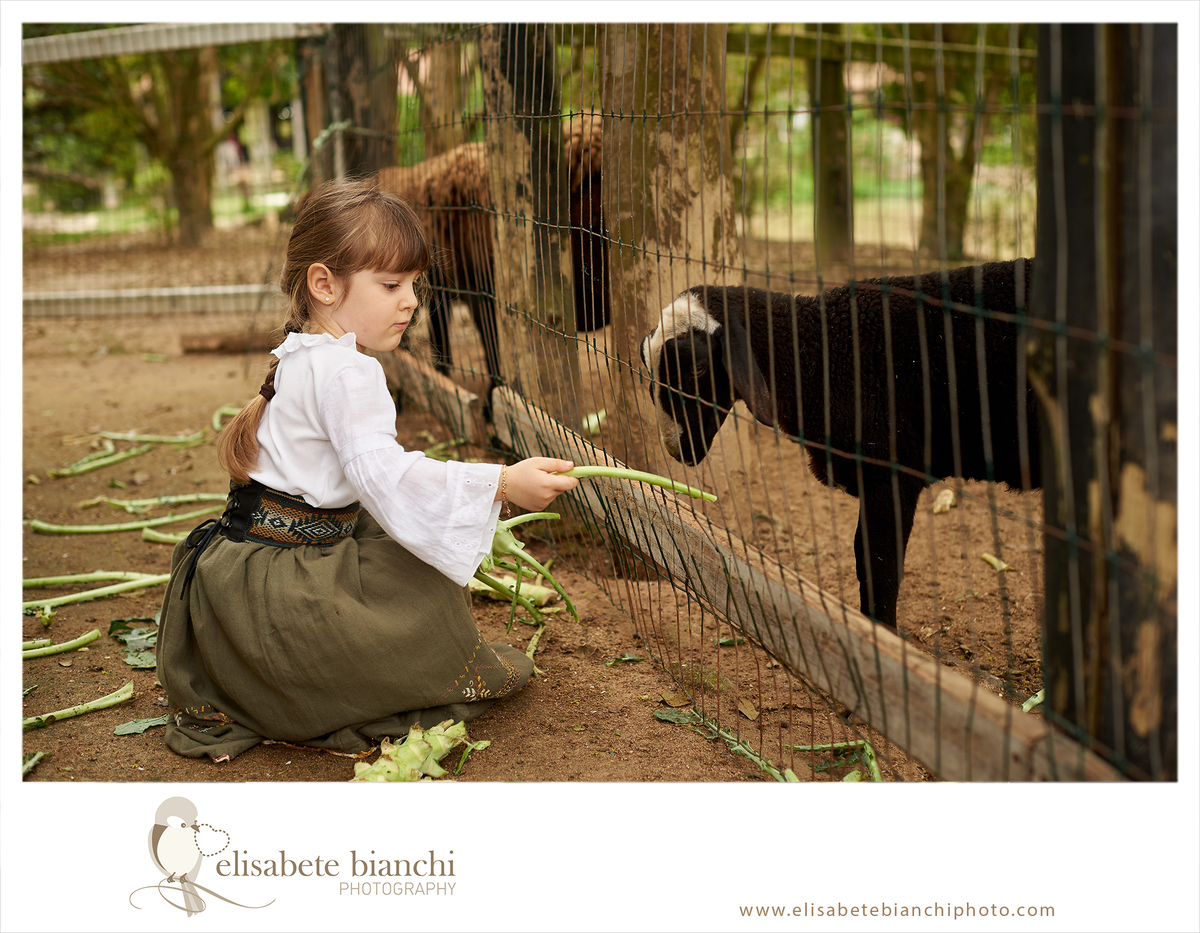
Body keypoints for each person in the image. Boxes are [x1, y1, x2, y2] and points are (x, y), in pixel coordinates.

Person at [157, 180, 578, 760]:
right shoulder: (349, 373)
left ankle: (267, 676)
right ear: (325, 284)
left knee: (402, 553)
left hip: (233, 580)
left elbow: (374, 487)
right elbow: (386, 477)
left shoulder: (302, 352)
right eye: (390, 285)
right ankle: (313, 684)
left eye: (412, 285)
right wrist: (503, 483)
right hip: (278, 598)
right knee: (427, 588)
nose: (410, 301)